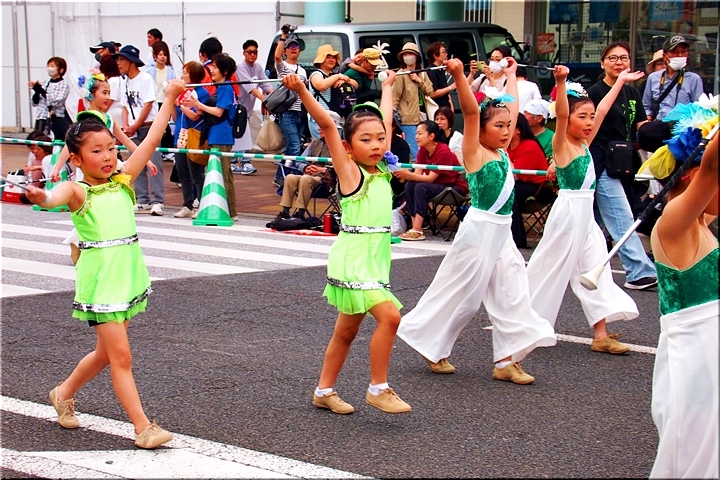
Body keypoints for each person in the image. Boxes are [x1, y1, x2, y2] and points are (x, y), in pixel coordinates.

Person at [23, 78, 185, 450]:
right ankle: (143, 428)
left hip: (126, 276)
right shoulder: (77, 190)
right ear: (77, 160)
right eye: (97, 151)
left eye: (111, 148)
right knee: (121, 356)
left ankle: (63, 393)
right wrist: (40, 196)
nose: (108, 156)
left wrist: (169, 99)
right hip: (101, 282)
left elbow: (151, 141)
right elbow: (53, 198)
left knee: (105, 354)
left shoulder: (122, 180)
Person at [397, 58, 556, 384]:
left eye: (509, 126)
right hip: (479, 230)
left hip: (502, 233)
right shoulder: (475, 152)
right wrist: (458, 75)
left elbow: (512, 108)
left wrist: (511, 76)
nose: (506, 131)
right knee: (465, 297)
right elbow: (471, 113)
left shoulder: (503, 152)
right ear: (481, 129)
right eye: (498, 126)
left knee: (513, 292)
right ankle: (431, 345)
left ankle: (506, 361)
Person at [284, 70, 413, 415]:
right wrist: (303, 90)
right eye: (366, 140)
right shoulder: (351, 172)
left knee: (345, 333)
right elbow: (328, 126)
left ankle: (323, 391)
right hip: (354, 260)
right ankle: (378, 388)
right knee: (390, 317)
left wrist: (387, 86)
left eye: (380, 139)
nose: (376, 145)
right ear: (348, 147)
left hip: (375, 260)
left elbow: (386, 120)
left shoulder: (382, 169)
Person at [526, 66, 640, 355]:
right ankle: (523, 323)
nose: (589, 122)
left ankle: (600, 335)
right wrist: (561, 81)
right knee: (547, 271)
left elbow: (603, 109)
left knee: (596, 272)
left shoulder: (586, 143)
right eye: (582, 117)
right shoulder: (562, 145)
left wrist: (620, 82)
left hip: (586, 219)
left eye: (590, 117)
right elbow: (562, 116)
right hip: (566, 217)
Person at [645, 131, 718, 479]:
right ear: (695, 176)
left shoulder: (700, 222)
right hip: (694, 356)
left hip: (708, 350)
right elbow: (714, 166)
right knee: (693, 456)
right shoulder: (675, 222)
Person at [587, 42, 658, 290]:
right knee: (620, 216)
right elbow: (591, 124)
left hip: (624, 161)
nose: (619, 62)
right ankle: (639, 271)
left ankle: (568, 266)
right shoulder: (594, 92)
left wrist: (663, 132)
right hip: (600, 161)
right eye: (613, 58)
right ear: (602, 63)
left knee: (587, 222)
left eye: (624, 58)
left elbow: (641, 126)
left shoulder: (632, 93)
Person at [181, 53, 238, 222]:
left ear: (224, 71)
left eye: (215, 67)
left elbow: (219, 112)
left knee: (223, 174)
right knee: (216, 173)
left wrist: (198, 104)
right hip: (215, 134)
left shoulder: (226, 87)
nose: (211, 70)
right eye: (211, 67)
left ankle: (230, 211)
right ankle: (223, 208)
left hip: (222, 135)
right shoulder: (221, 87)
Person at [395, 120, 468, 241]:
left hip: (453, 188)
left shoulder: (443, 151)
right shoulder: (423, 150)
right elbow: (417, 174)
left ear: (431, 136)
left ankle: (417, 229)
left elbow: (429, 178)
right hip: (437, 186)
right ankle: (414, 227)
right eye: (416, 133)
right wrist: (406, 175)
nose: (416, 137)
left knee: (420, 187)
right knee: (410, 185)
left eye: (420, 133)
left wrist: (407, 174)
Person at [116, 45, 165, 216]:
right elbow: (124, 107)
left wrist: (135, 125)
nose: (119, 63)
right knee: (136, 163)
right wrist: (126, 126)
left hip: (147, 126)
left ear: (131, 62)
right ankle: (142, 199)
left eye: (122, 59)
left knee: (154, 163)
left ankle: (158, 200)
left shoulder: (145, 79)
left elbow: (148, 105)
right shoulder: (125, 81)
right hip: (132, 129)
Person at [273, 111, 340, 221]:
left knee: (305, 179)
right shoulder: (315, 142)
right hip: (310, 175)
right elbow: (300, 160)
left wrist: (322, 169)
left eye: (322, 126)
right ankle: (285, 212)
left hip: (327, 180)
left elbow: (343, 166)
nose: (318, 128)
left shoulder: (341, 144)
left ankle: (300, 213)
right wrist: (305, 167)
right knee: (290, 177)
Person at [508, 114, 555, 249]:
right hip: (522, 185)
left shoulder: (529, 146)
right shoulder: (509, 147)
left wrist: (503, 153)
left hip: (541, 188)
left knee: (510, 191)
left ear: (518, 130)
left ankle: (517, 239)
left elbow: (515, 176)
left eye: (508, 126)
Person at [172, 61, 209, 219]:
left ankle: (201, 203)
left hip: (194, 135)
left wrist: (180, 105)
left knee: (196, 173)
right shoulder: (182, 91)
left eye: (185, 72)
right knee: (183, 173)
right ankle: (187, 205)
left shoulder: (202, 93)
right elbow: (175, 117)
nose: (182, 75)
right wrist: (172, 102)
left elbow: (195, 116)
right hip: (180, 135)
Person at [273, 27, 308, 186]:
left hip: (300, 113)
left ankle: (280, 176)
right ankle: (289, 177)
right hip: (287, 112)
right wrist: (283, 36)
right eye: (290, 46)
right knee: (294, 146)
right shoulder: (283, 66)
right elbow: (277, 56)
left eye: (296, 46)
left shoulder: (303, 71)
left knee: (293, 147)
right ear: (285, 50)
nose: (294, 49)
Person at [234, 39, 274, 175]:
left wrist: (274, 96)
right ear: (244, 53)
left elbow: (265, 84)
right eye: (250, 52)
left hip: (247, 109)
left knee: (244, 135)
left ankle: (242, 162)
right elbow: (250, 87)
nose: (253, 55)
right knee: (239, 135)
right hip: (237, 108)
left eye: (255, 52)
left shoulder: (257, 67)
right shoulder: (241, 67)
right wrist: (264, 99)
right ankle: (238, 162)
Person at [643, 35, 703, 121]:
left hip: (682, 126)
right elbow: (646, 107)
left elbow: (698, 109)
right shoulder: (653, 78)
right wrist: (648, 119)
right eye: (675, 52)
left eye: (684, 51)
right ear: (665, 56)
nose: (680, 55)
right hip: (658, 125)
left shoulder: (694, 79)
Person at [393, 42, 434, 160]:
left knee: (424, 150)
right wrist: (393, 117)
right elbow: (394, 97)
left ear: (416, 56)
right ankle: (417, 171)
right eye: (405, 54)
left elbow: (430, 91)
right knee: (414, 153)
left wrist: (419, 80)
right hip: (407, 119)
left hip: (422, 117)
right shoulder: (401, 74)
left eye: (410, 53)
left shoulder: (422, 73)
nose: (407, 56)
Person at [309, 44, 357, 138]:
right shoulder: (316, 74)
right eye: (328, 57)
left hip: (334, 119)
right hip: (319, 119)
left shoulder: (333, 75)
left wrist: (344, 80)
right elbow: (321, 85)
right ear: (321, 59)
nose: (331, 60)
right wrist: (338, 76)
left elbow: (355, 85)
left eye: (334, 57)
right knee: (322, 146)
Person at [144, 41, 177, 158]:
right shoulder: (148, 72)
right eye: (160, 54)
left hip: (165, 102)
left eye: (165, 54)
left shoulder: (171, 72)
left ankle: (166, 151)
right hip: (153, 102)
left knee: (165, 126)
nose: (162, 57)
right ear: (155, 56)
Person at [28, 56, 70, 140]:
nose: (49, 68)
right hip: (41, 118)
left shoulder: (63, 84)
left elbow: (56, 101)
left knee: (55, 142)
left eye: (52, 66)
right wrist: (36, 90)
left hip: (55, 119)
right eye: (48, 66)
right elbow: (35, 102)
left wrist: (40, 90)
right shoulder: (45, 83)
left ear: (61, 70)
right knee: (38, 141)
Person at [425, 42, 456, 111]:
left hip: (446, 107)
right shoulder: (431, 71)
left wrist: (451, 106)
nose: (446, 54)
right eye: (443, 52)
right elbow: (433, 93)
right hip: (438, 109)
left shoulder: (440, 69)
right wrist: (451, 87)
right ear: (435, 56)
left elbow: (446, 91)